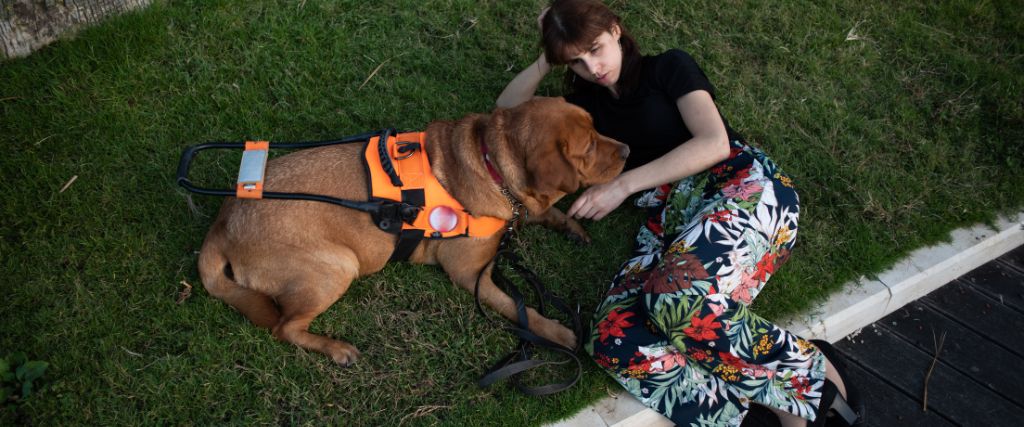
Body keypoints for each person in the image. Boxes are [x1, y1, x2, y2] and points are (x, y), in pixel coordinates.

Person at [496, 1, 861, 426]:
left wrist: (623, 184)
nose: (592, 66)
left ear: (616, 30)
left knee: (676, 300)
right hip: (670, 218)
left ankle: (819, 387)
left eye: (595, 48)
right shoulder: (586, 104)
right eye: (575, 61)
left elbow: (713, 143)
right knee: (614, 337)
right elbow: (506, 111)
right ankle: (745, 419)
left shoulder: (667, 68)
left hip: (739, 187)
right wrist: (548, 54)